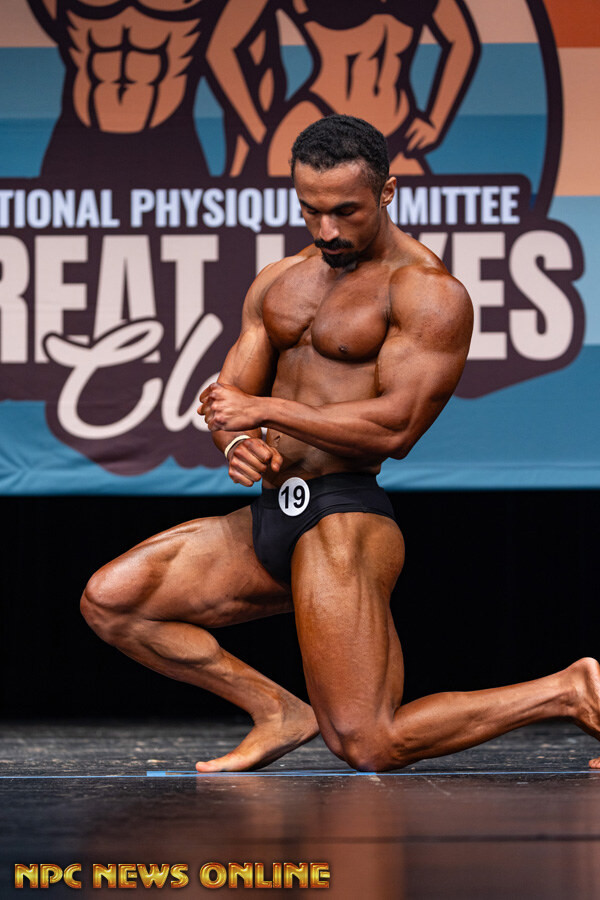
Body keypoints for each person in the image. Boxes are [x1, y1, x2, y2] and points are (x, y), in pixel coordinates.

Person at [81, 116, 600, 773]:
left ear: (387, 192)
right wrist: (236, 443)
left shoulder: (427, 293)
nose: (326, 229)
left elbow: (396, 428)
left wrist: (269, 411)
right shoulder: (279, 280)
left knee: (369, 742)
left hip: (343, 517)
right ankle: (277, 711)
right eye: (311, 209)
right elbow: (228, 398)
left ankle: (568, 690)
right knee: (113, 601)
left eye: (345, 211)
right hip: (275, 511)